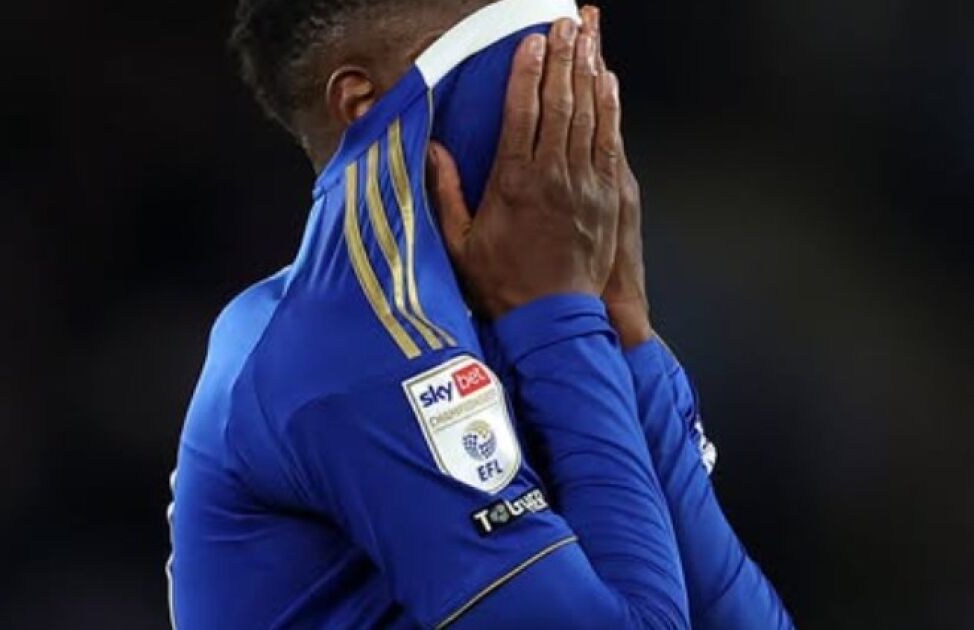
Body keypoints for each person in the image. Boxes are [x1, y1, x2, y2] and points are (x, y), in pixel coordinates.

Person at [169, 1, 793, 627]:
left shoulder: (522, 309)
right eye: (516, 53)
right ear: (365, 105)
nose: (562, 95)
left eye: (568, 49)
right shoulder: (337, 349)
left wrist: (621, 327)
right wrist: (561, 321)